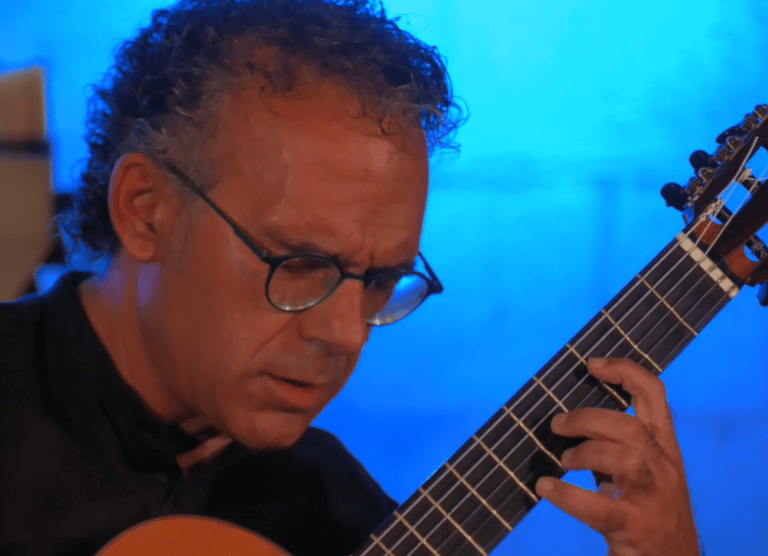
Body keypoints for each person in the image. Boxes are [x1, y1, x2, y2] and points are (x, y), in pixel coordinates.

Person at [0, 1, 702, 555]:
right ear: (146, 210)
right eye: (299, 263)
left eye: (380, 281)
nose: (345, 335)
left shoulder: (338, 515)